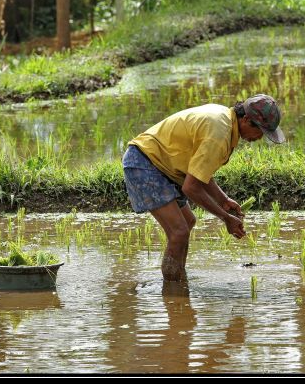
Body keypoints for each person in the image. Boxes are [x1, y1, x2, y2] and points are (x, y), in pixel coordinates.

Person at [122, 94, 286, 281]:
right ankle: (173, 290)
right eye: (261, 132)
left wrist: (223, 200)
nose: (259, 138)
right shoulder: (219, 134)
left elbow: (200, 172)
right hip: (145, 163)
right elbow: (191, 187)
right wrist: (226, 218)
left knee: (187, 222)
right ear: (247, 120)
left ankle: (178, 279)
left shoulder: (224, 120)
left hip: (164, 165)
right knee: (179, 231)